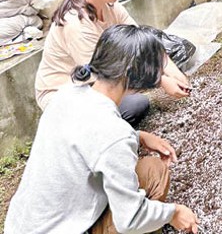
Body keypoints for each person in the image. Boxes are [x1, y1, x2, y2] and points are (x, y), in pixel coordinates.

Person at [5, 25, 199, 233]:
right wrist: (174, 213)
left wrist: (139, 136)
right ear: (139, 76)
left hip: (23, 225)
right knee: (154, 172)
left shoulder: (66, 95)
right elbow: (129, 219)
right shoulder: (114, 134)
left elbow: (88, 136)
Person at [35, 0, 191, 126]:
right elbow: (104, 75)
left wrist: (174, 72)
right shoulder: (76, 24)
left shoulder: (112, 8)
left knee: (137, 104)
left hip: (96, 82)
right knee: (129, 106)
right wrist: (160, 80)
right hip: (64, 94)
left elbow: (143, 43)